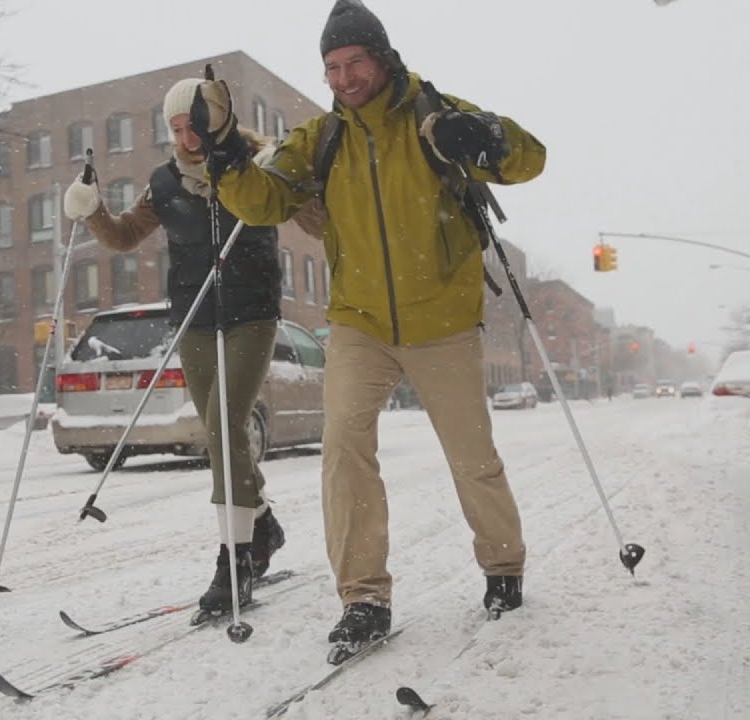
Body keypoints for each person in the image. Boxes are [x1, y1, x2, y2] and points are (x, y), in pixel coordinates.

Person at [186, 0, 547, 653]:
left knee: (471, 457)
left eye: (354, 61)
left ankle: (503, 568)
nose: (345, 77)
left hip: (442, 320)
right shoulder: (321, 139)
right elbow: (264, 200)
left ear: (381, 58)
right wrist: (225, 154)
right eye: (332, 66)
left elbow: (529, 159)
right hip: (359, 323)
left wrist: (487, 137)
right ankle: (364, 598)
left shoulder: (436, 115)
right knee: (344, 450)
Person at [61, 78, 289, 617]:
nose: (186, 138)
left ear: (219, 119)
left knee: (222, 423)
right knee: (219, 433)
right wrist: (91, 209)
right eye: (176, 128)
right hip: (194, 316)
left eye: (196, 126)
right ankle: (262, 525)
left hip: (252, 311)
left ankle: (234, 563)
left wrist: (298, 177)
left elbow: (308, 218)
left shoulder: (260, 167)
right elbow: (121, 237)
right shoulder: (164, 183)